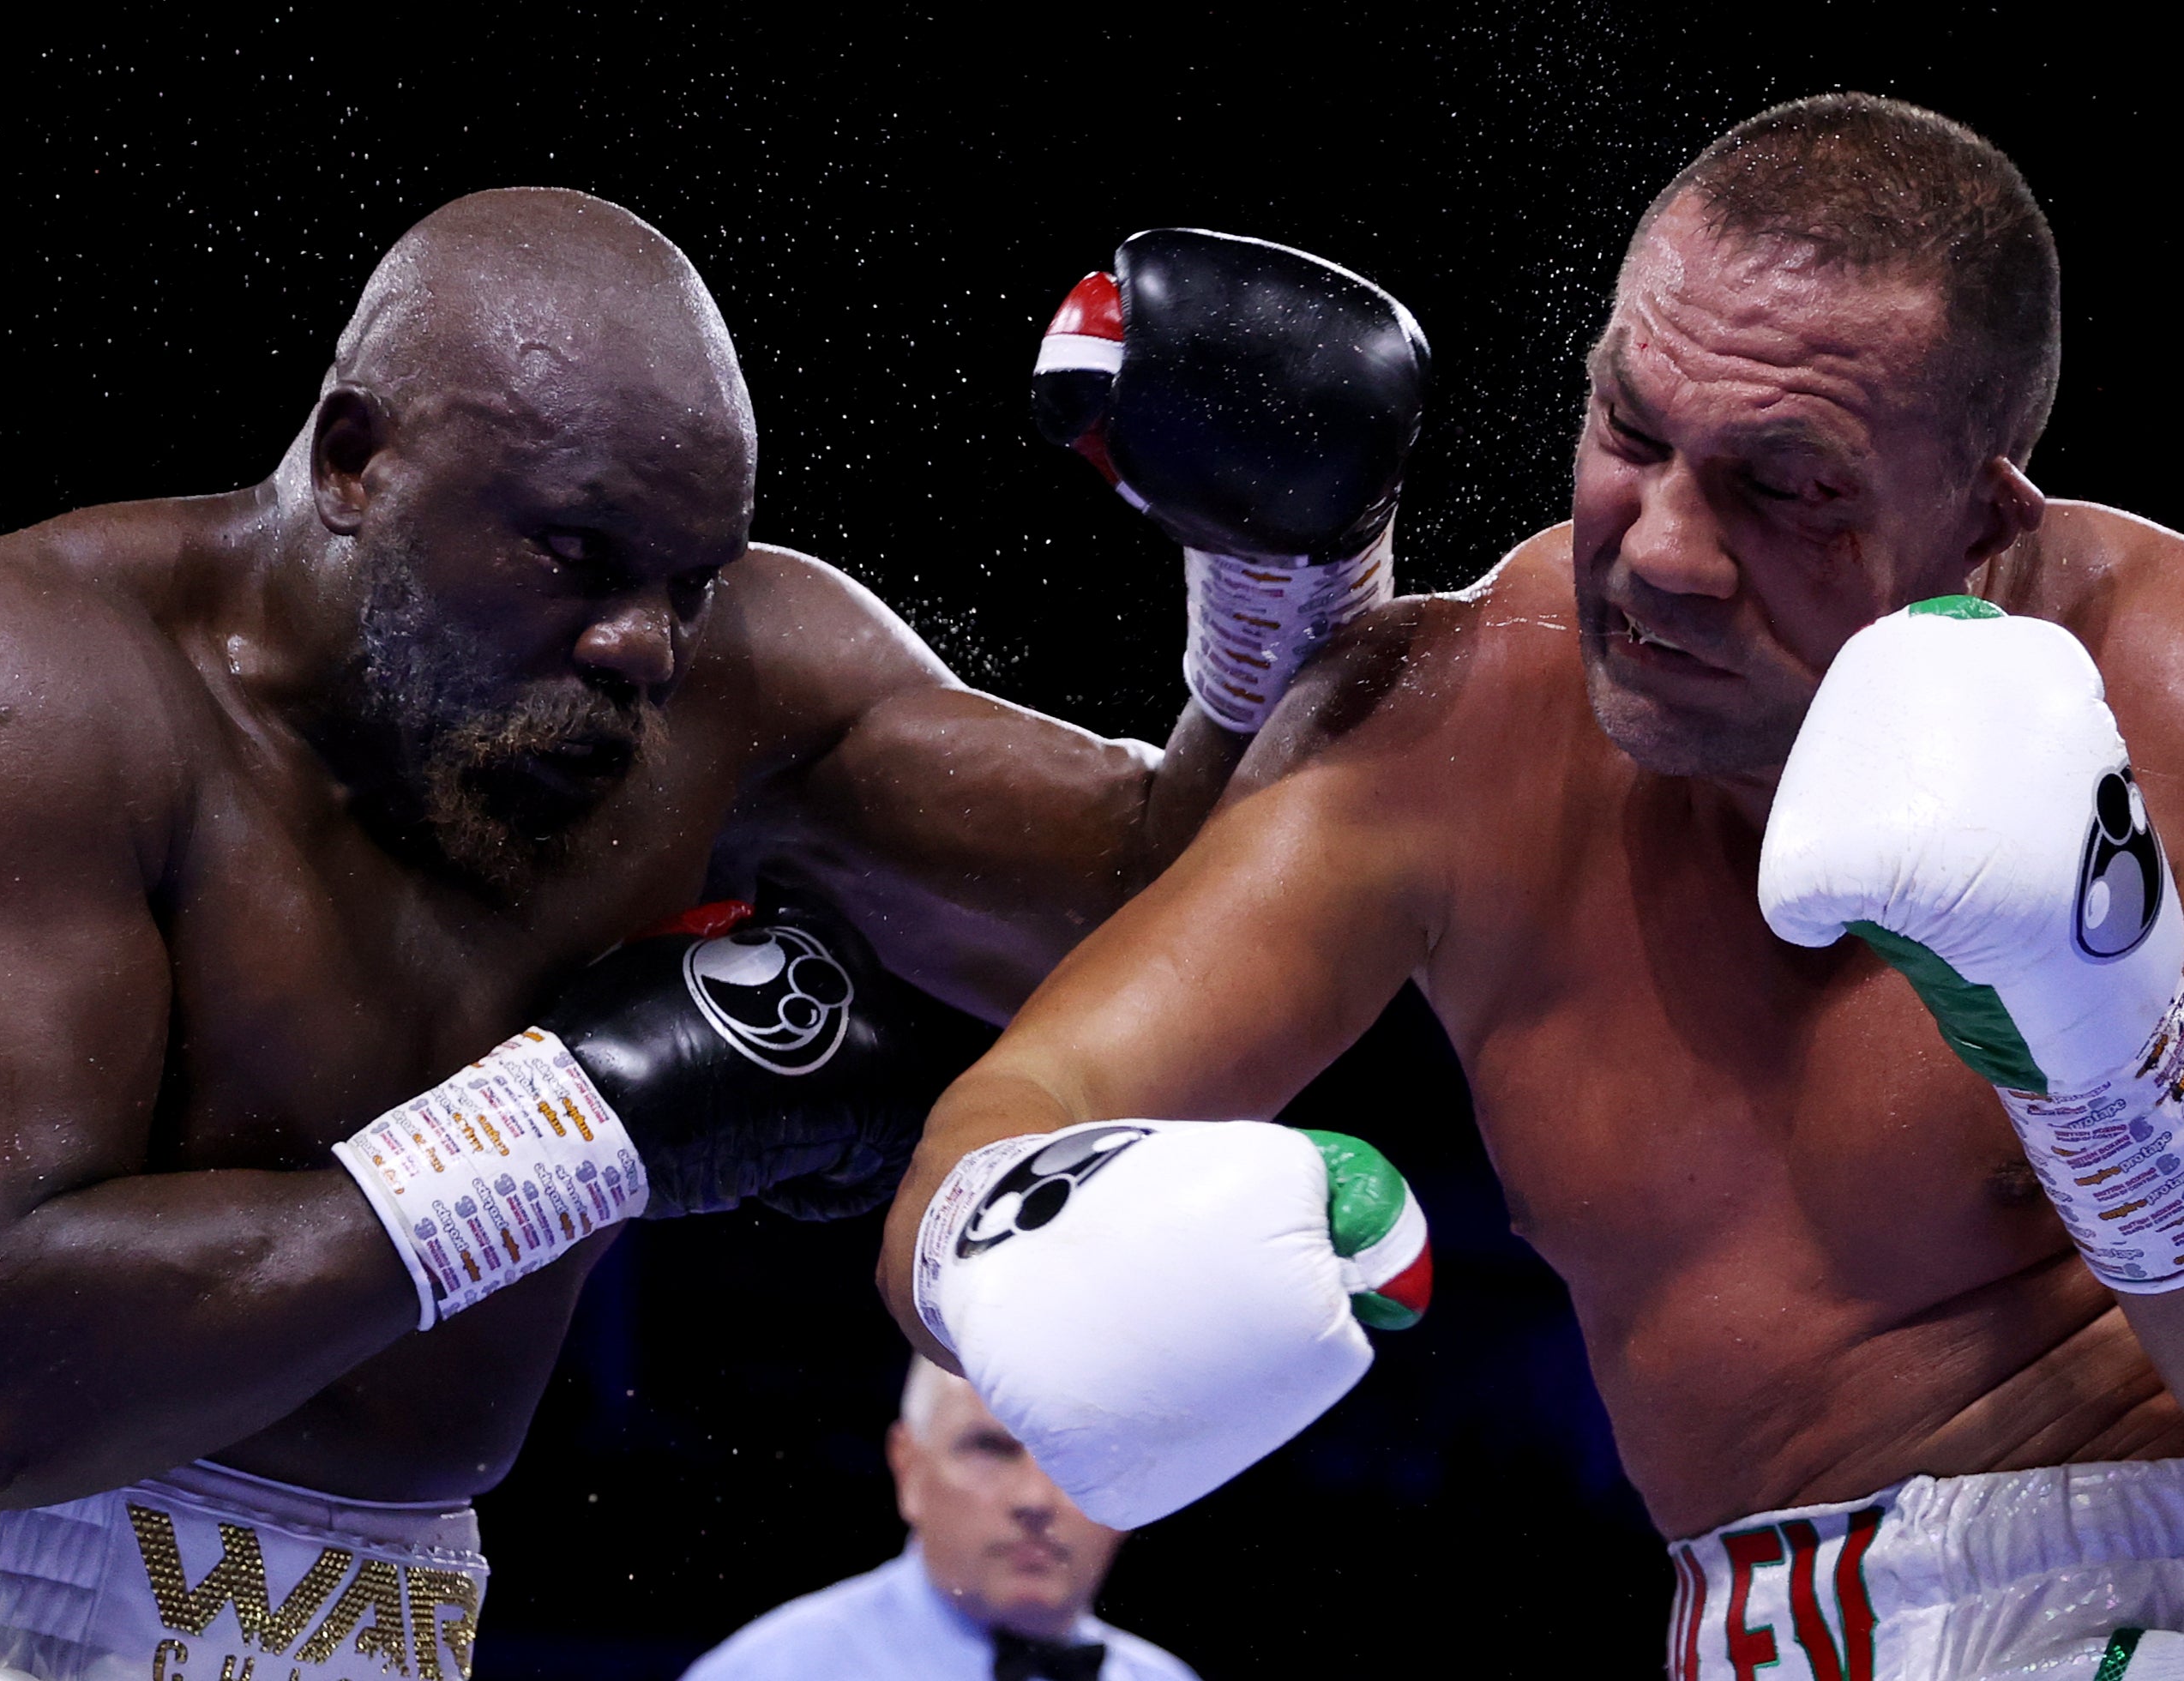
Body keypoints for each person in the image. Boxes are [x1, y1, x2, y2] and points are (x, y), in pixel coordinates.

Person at [0, 195, 1425, 1680]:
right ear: (354, 462)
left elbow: (1170, 923)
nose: (643, 643)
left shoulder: (732, 686)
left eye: (693, 577)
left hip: (405, 1608)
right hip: (0, 1592)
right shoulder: (27, 688)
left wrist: (1283, 586)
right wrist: (574, 1128)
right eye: (575, 553)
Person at [882, 94, 2184, 1678]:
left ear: (1982, 519)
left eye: (1787, 489)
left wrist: (2124, 1116)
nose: (1663, 555)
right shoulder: (1465, 721)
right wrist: (1011, 1257)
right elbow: (1005, 1122)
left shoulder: (2165, 695)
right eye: (1631, 434)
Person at [683, 1358, 1197, 1680]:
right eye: (990, 1449)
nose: (1036, 1499)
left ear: (1134, 1495)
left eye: (1074, 1458)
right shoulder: (774, 1671)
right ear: (909, 1468)